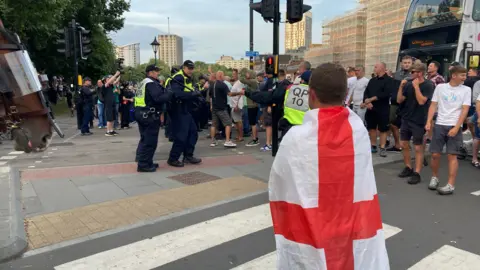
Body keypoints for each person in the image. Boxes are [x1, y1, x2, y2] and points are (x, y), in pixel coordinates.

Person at [269, 63, 389, 269]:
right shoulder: (358, 130)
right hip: (351, 222)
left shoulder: (296, 138)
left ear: (311, 94)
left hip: (314, 224)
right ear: (344, 94)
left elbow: (280, 184)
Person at [426, 65, 471, 195]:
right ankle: (434, 177)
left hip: (454, 125)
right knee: (435, 154)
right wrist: (429, 121)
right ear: (454, 76)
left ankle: (450, 185)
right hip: (440, 124)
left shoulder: (466, 90)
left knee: (452, 155)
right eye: (462, 75)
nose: (465, 77)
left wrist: (457, 127)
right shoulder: (440, 88)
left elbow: (465, 109)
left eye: (465, 75)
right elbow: (433, 105)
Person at [396, 63, 435, 184]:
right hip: (406, 118)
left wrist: (417, 87)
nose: (410, 74)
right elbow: (399, 100)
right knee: (404, 144)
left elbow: (422, 101)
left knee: (418, 147)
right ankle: (408, 167)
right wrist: (401, 87)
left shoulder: (428, 85)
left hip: (419, 119)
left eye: (413, 72)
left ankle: (417, 172)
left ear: (420, 73)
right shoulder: (408, 84)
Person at [134, 65, 172, 172]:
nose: (158, 73)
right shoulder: (150, 83)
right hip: (148, 115)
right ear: (150, 72)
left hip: (142, 113)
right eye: (156, 71)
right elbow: (158, 98)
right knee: (150, 141)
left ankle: (147, 161)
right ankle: (143, 165)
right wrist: (169, 93)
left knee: (145, 139)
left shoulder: (143, 82)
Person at [167, 60, 202, 167]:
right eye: (189, 68)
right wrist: (192, 94)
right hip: (179, 109)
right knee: (181, 135)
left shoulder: (187, 77)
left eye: (192, 68)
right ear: (184, 68)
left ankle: (188, 155)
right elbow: (178, 94)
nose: (191, 71)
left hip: (186, 109)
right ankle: (173, 158)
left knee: (193, 133)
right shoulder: (178, 77)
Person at [363, 62, 395, 157]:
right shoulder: (372, 80)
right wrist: (367, 102)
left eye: (376, 67)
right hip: (371, 108)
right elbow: (366, 92)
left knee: (383, 129)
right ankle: (373, 145)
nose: (374, 68)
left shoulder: (389, 80)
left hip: (383, 108)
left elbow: (386, 93)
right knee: (371, 127)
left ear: (382, 68)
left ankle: (382, 147)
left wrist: (371, 99)